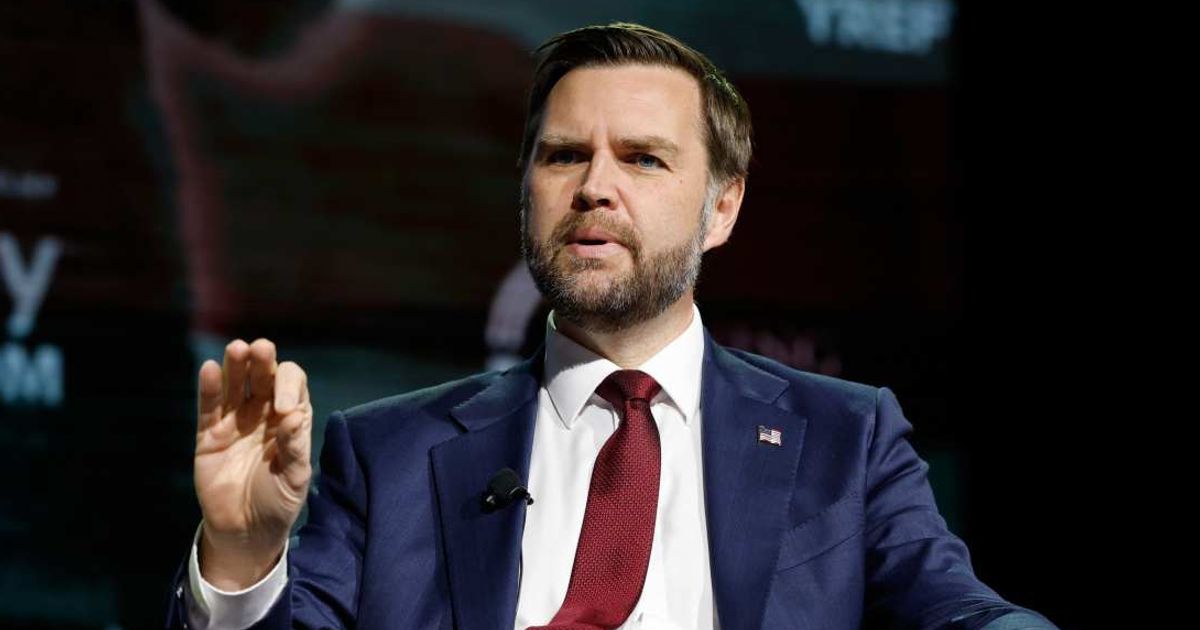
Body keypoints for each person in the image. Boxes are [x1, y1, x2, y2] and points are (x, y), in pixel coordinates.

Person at [167, 22, 1057, 630]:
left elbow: (958, 610)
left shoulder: (845, 438)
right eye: (564, 156)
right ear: (526, 190)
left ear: (722, 207)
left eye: (643, 159)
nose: (595, 187)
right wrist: (243, 559)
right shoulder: (386, 454)